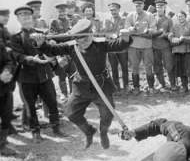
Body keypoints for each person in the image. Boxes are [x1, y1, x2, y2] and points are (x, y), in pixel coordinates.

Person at [31, 19, 132, 149]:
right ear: (75, 39)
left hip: (101, 85)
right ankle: (89, 131)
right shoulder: (72, 46)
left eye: (86, 38)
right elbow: (52, 50)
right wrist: (41, 43)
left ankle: (103, 132)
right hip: (82, 85)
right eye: (79, 39)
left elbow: (119, 45)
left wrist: (125, 37)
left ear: (92, 34)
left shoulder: (101, 44)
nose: (82, 42)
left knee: (108, 114)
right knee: (71, 113)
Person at [10, 6, 66, 143]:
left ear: (32, 17)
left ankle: (56, 128)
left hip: (45, 75)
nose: (26, 18)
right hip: (27, 77)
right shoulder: (15, 38)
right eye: (22, 16)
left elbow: (50, 50)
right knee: (30, 106)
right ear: (18, 19)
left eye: (28, 15)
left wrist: (55, 58)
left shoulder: (43, 33)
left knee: (52, 102)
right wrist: (32, 59)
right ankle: (35, 132)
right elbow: (18, 56)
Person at [125, 0, 157, 95]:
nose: (138, 7)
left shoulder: (149, 15)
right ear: (134, 6)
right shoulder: (130, 16)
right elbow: (126, 28)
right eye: (136, 5)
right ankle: (136, 88)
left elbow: (154, 28)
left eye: (140, 5)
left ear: (143, 5)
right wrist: (133, 28)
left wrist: (148, 30)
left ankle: (151, 87)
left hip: (146, 44)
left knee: (148, 66)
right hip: (134, 45)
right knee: (134, 66)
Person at [168, 11, 190, 97]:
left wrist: (183, 38)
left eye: (181, 16)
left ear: (185, 16)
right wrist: (173, 39)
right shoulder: (174, 26)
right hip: (177, 51)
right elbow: (171, 37)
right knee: (181, 70)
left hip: (188, 51)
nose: (180, 18)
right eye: (178, 17)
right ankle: (184, 87)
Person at [0, 8, 17, 156]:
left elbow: (8, 60)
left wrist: (7, 70)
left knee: (6, 115)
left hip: (4, 86)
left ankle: (2, 145)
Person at [50, 3, 74, 101]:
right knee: (62, 74)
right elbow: (52, 36)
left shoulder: (70, 21)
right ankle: (64, 94)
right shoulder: (54, 22)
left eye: (64, 11)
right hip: (60, 52)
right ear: (57, 12)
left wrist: (66, 35)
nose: (62, 13)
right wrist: (66, 35)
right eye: (60, 11)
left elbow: (73, 35)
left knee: (72, 73)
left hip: (71, 50)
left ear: (66, 11)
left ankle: (73, 93)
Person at [104, 2, 129, 93]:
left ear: (118, 10)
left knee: (124, 67)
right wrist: (111, 35)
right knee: (114, 68)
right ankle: (116, 86)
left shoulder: (123, 20)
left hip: (122, 48)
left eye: (115, 10)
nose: (113, 12)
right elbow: (105, 33)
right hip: (112, 48)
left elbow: (126, 31)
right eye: (111, 10)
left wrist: (118, 35)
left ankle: (126, 86)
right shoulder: (107, 20)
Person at [152, 0, 176, 92]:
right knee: (157, 66)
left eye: (161, 7)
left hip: (165, 46)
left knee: (169, 65)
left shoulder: (168, 19)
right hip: (154, 46)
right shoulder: (152, 17)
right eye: (158, 7)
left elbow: (171, 32)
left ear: (164, 8)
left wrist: (165, 34)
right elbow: (149, 29)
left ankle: (173, 84)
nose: (159, 9)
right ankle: (162, 84)